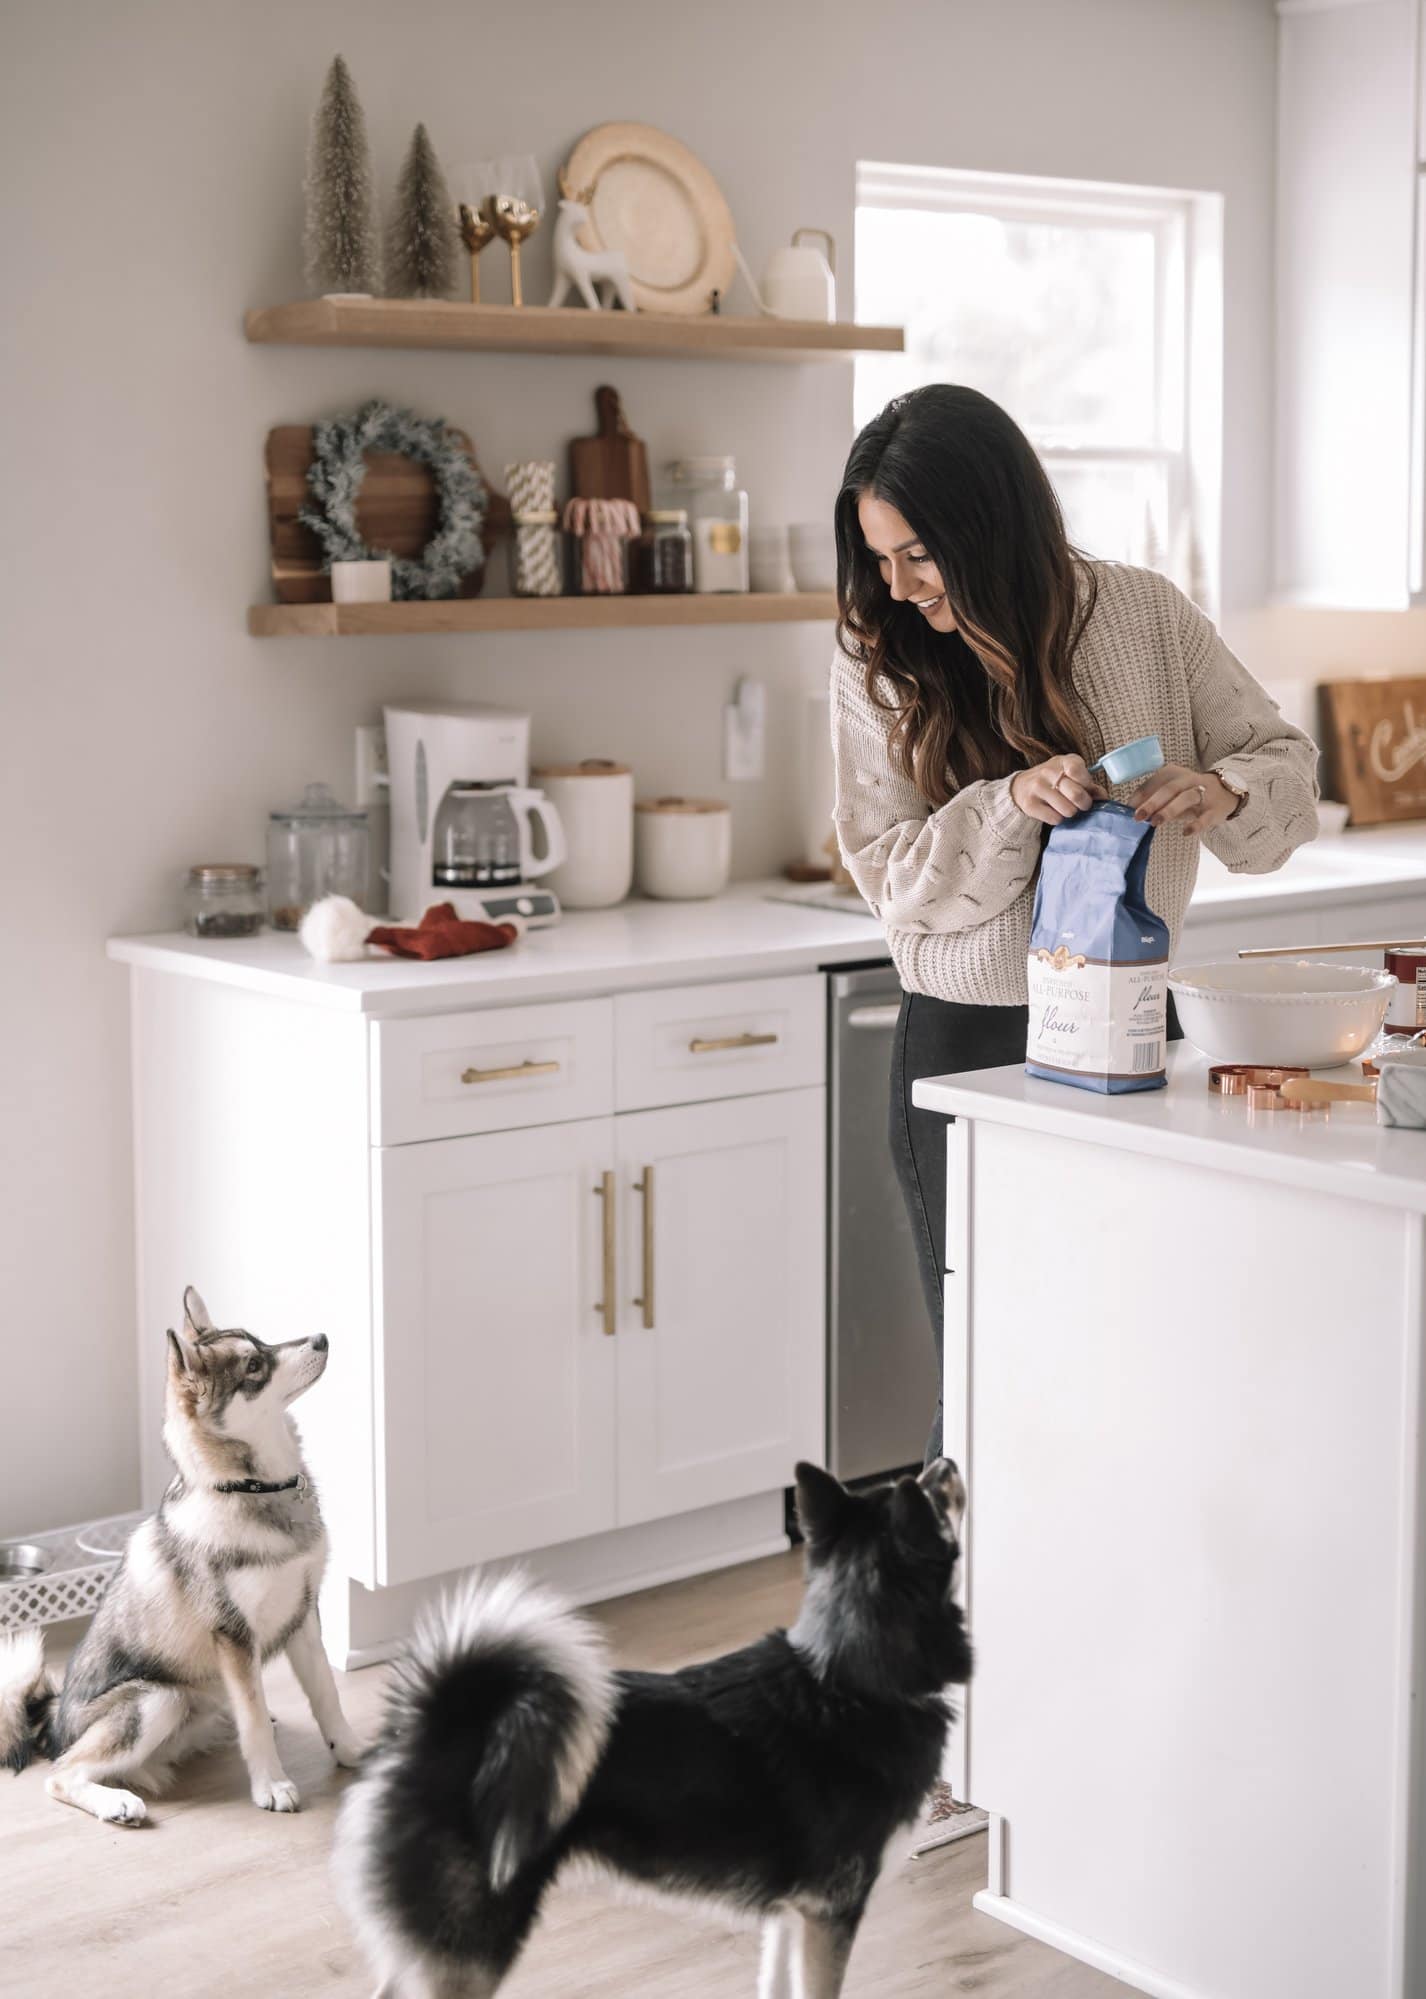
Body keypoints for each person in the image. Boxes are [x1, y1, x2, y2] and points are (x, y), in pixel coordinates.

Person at [831, 385, 1319, 1461]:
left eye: (919, 554)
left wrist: (1222, 790)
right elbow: (891, 875)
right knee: (988, 1366)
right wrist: (1009, 804)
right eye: (879, 558)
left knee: (1130, 1350)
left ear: (990, 526)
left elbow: (1287, 764)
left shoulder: (1145, 615)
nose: (896, 586)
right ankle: (967, 1571)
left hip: (1133, 1029)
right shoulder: (881, 653)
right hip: (969, 1044)